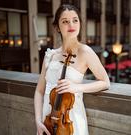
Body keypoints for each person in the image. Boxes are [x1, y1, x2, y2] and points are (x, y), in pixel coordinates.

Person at [34, 4, 110, 135]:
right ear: (57, 27)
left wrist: (77, 87)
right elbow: (40, 91)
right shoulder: (50, 55)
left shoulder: (85, 52)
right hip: (47, 121)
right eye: (65, 21)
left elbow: (105, 82)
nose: (71, 25)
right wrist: (38, 120)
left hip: (71, 121)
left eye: (75, 20)